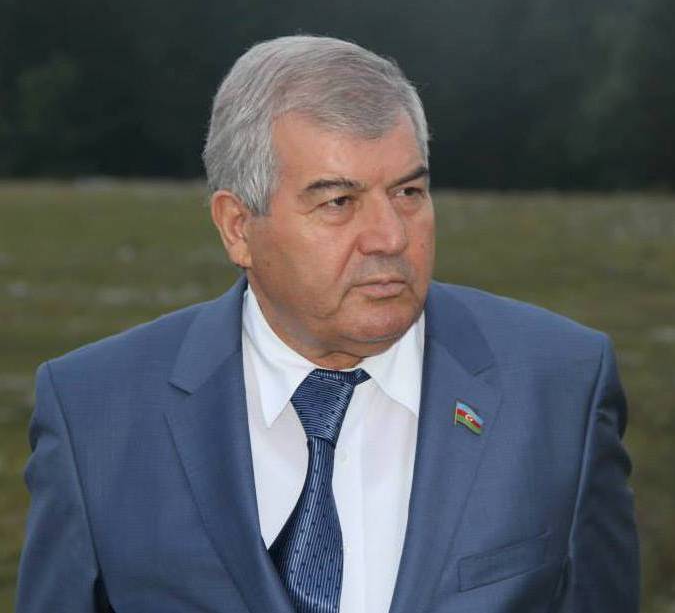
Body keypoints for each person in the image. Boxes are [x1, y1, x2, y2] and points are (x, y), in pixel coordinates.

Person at [16, 35, 639, 613]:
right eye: (339, 202)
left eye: (409, 193)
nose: (390, 237)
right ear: (238, 227)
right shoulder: (93, 414)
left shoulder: (562, 387)